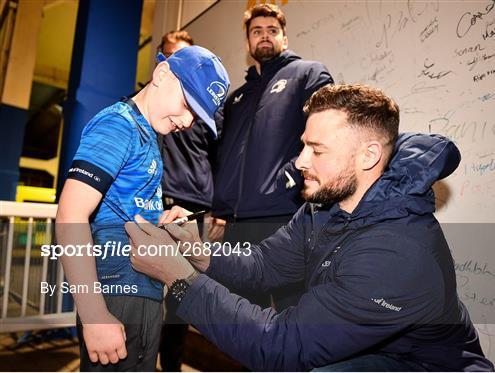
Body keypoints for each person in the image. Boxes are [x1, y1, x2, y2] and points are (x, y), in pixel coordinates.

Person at [126, 84, 495, 371]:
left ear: (368, 155)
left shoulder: (397, 253)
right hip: (369, 351)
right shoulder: (323, 206)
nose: (300, 161)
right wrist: (198, 253)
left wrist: (177, 279)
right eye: (303, 145)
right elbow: (263, 265)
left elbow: (281, 346)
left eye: (317, 150)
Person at [55, 46, 229, 371]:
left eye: (198, 115)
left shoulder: (148, 135)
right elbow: (70, 214)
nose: (188, 121)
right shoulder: (118, 125)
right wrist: (93, 314)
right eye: (187, 104)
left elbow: (123, 209)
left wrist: (162, 224)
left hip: (144, 292)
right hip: (116, 294)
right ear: (161, 74)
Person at [212, 3, 333, 309]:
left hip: (283, 216)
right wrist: (220, 205)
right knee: (241, 319)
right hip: (236, 225)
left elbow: (330, 127)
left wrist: (291, 175)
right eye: (256, 31)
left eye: (272, 30)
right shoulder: (236, 98)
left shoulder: (307, 73)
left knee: (292, 313)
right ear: (248, 42)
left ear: (284, 38)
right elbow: (224, 155)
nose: (264, 36)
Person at [156, 30, 220, 372]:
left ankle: (170, 366)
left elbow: (220, 157)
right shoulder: (144, 103)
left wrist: (218, 209)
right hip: (152, 207)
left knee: (181, 297)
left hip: (192, 208)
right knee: (144, 289)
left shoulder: (208, 108)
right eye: (175, 58)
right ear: (161, 64)